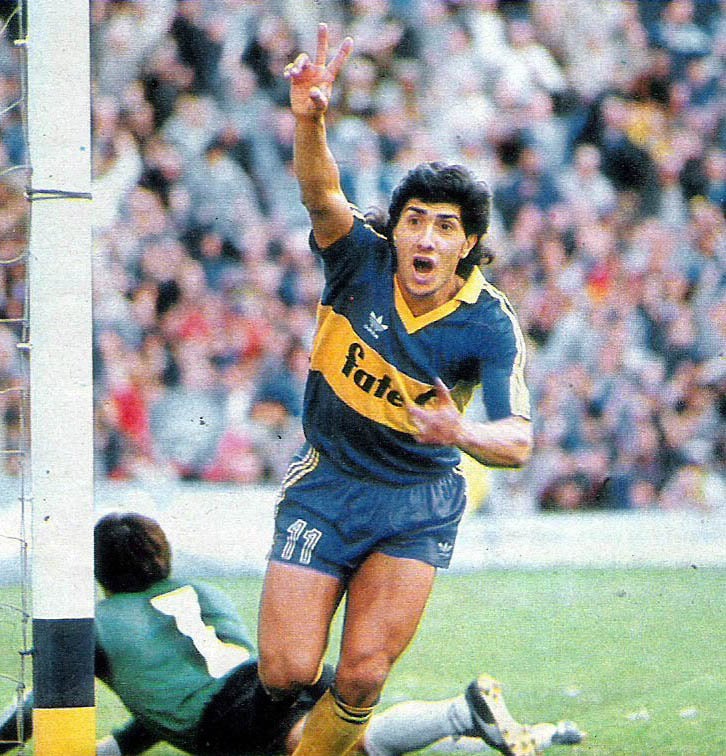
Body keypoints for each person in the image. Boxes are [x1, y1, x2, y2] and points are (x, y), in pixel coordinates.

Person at [258, 22, 534, 756]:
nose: (426, 239)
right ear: (398, 228)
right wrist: (309, 120)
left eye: (445, 227)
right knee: (286, 669)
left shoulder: (489, 323)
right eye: (415, 221)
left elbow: (518, 441)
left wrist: (461, 432)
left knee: (362, 676)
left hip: (415, 501)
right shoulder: (360, 259)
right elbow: (321, 192)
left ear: (467, 244)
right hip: (329, 480)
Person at [0, 513, 583, 755]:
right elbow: (158, 707)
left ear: (100, 570)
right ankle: (484, 729)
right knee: (353, 741)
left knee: (338, 751)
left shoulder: (98, 626)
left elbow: (45, 705)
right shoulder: (200, 591)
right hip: (268, 681)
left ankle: (461, 714)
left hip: (226, 718)